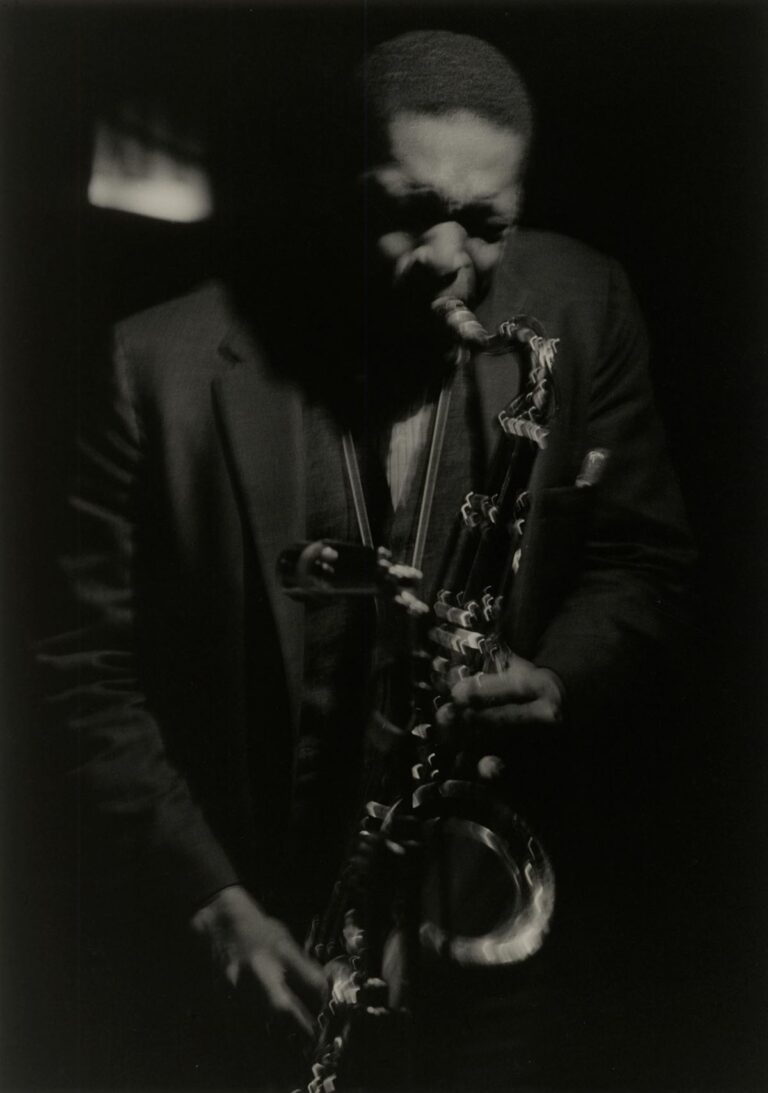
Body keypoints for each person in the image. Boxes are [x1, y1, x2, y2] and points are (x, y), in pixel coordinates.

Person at [37, 29, 693, 1091]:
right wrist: (213, 906)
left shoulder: (582, 304)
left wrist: (558, 676)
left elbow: (643, 561)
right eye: (405, 210)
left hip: (471, 942)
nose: (446, 257)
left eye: (485, 226)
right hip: (249, 928)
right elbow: (77, 668)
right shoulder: (148, 366)